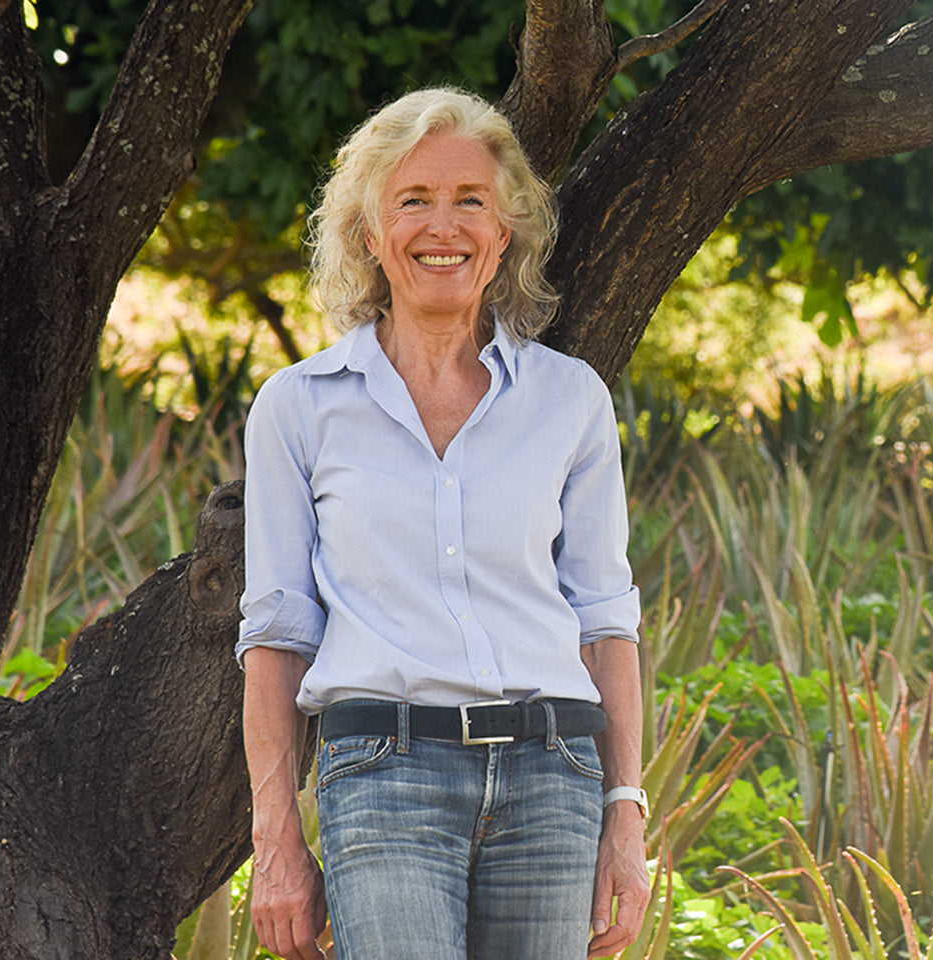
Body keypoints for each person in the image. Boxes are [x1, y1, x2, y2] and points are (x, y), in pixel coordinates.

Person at [236, 87, 650, 960]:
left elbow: (605, 620)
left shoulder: (570, 399)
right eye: (413, 201)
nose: (443, 226)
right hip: (384, 776)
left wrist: (626, 816)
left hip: (555, 776)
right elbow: (276, 638)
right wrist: (276, 843)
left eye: (471, 201)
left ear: (504, 234)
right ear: (369, 232)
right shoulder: (298, 408)